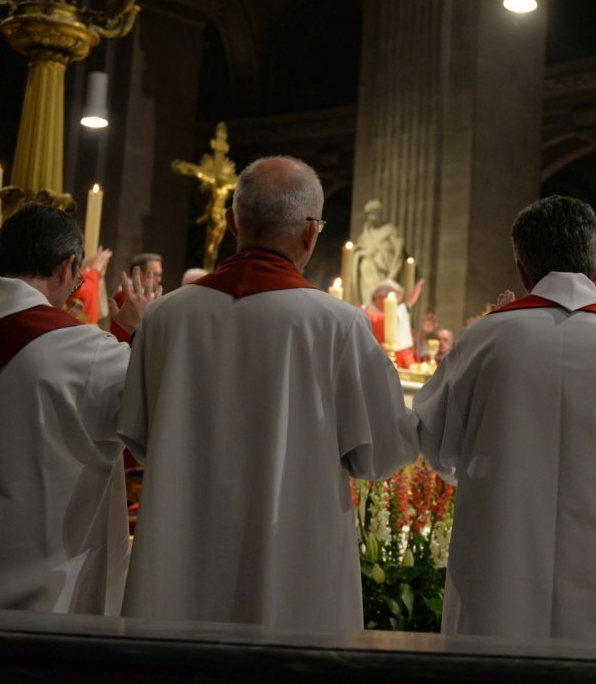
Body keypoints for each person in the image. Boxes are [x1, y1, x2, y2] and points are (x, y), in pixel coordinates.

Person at [119, 156, 417, 631]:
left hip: (181, 561)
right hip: (294, 570)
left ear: (234, 222)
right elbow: (380, 456)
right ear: (310, 234)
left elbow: (137, 440)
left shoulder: (164, 318)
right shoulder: (338, 325)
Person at [414, 195, 596, 643]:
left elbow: (437, 442)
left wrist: (480, 476)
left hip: (501, 559)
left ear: (522, 270)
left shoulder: (482, 341)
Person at [0, 203, 155, 615]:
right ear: (68, 267)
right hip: (48, 597)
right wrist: (140, 333)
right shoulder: (89, 353)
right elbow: (152, 434)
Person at [350, 199, 405, 307]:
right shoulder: (366, 232)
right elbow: (359, 248)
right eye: (369, 214)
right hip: (366, 272)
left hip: (381, 271)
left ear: (380, 213)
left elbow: (398, 250)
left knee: (381, 300)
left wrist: (391, 274)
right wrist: (360, 253)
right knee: (367, 300)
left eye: (374, 213)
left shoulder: (389, 230)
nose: (371, 217)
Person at [364, 278, 423, 368]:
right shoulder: (362, 313)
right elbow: (379, 320)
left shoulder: (394, 319)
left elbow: (403, 351)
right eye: (393, 302)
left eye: (398, 303)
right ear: (379, 297)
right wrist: (407, 305)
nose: (396, 307)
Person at [110, 252, 163, 342]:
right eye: (155, 274)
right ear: (139, 273)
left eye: (160, 275)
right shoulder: (124, 297)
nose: (159, 279)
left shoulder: (153, 297)